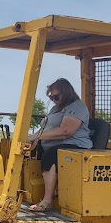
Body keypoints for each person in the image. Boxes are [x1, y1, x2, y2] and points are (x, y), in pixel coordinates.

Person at [27, 78, 92, 212]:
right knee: (26, 152)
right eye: (51, 97)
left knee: (51, 154)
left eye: (56, 97)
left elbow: (66, 131)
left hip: (74, 145)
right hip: (54, 143)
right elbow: (45, 128)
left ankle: (47, 200)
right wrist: (31, 138)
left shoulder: (77, 106)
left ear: (66, 93)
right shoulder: (56, 108)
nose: (53, 100)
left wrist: (36, 137)